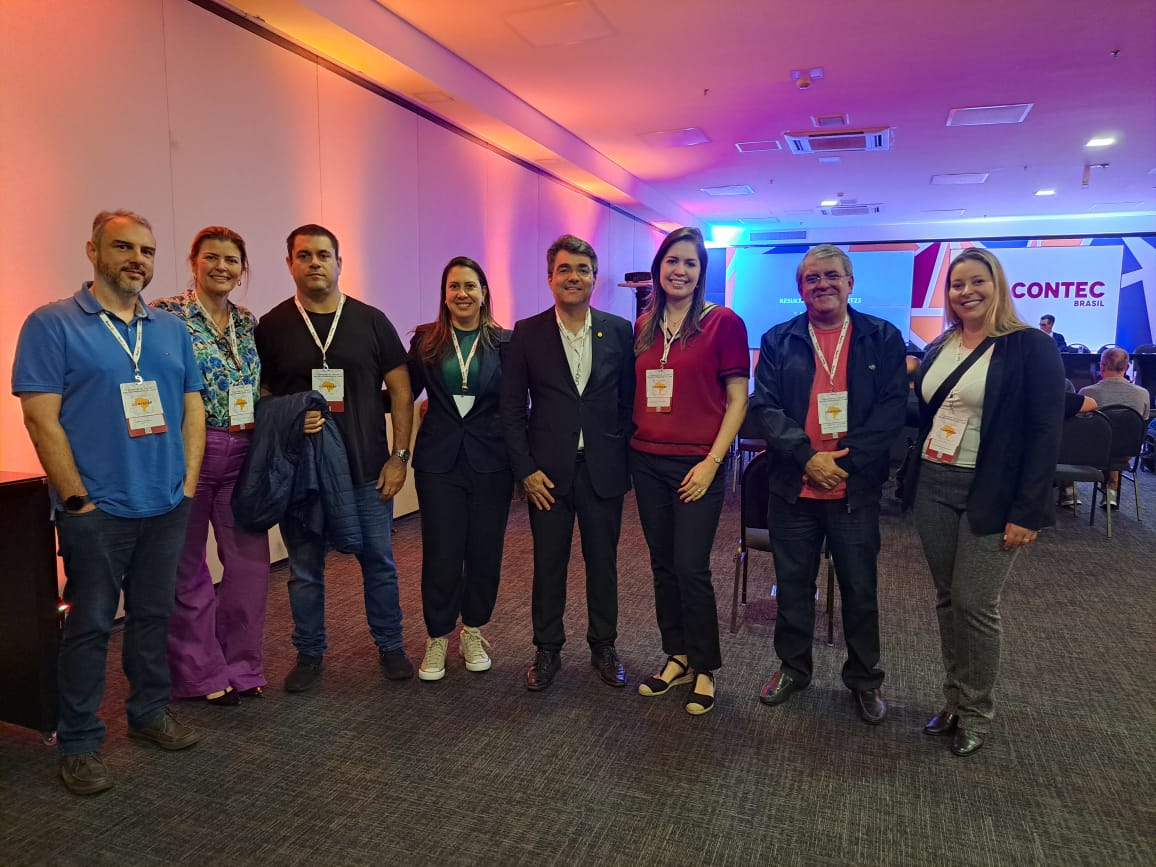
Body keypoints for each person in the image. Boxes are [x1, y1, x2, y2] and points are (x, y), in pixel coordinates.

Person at [12, 210, 206, 795]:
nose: (137, 260)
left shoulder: (170, 329)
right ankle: (79, 742)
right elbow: (40, 419)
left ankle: (148, 713)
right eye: (123, 247)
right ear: (92, 251)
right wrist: (76, 500)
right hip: (96, 511)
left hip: (165, 504)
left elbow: (192, 407)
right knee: (90, 626)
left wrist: (187, 487)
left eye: (147, 250)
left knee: (153, 616)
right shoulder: (51, 324)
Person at [912, 248, 1063, 756]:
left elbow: (1045, 433)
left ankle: (977, 711)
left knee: (975, 602)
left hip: (992, 489)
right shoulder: (941, 345)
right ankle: (954, 700)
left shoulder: (1030, 346)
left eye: (977, 281)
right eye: (957, 284)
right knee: (947, 597)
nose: (966, 291)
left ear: (997, 285)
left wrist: (1027, 511)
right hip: (934, 482)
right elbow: (927, 412)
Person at [749, 244, 906, 725]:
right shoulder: (779, 339)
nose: (823, 285)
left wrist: (846, 462)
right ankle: (793, 669)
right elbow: (765, 408)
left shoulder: (882, 336)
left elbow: (892, 410)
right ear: (800, 288)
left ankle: (864, 679)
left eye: (832, 276)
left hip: (853, 490)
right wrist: (808, 458)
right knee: (793, 588)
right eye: (812, 278)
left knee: (860, 590)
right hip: (793, 489)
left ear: (850, 282)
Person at [255, 224, 414, 691]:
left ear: (339, 263)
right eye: (304, 255)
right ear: (289, 264)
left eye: (323, 255)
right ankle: (309, 654)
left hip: (367, 470)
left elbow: (402, 393)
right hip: (302, 474)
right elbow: (262, 396)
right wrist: (288, 418)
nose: (314, 263)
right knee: (305, 571)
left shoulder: (371, 321)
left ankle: (390, 645)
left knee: (378, 563)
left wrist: (400, 457)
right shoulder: (273, 327)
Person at [500, 234, 635, 692]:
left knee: (604, 563)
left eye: (582, 270)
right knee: (548, 564)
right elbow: (512, 409)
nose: (573, 277)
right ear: (550, 278)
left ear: (594, 278)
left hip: (602, 471)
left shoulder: (619, 331)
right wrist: (525, 469)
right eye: (564, 269)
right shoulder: (527, 332)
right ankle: (547, 648)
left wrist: (620, 458)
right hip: (546, 475)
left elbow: (627, 403)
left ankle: (604, 645)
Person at [630, 228, 748, 715]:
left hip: (699, 462)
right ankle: (676, 656)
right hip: (646, 460)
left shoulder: (724, 323)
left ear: (702, 273)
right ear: (659, 267)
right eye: (672, 261)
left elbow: (738, 400)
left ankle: (704, 666)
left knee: (690, 566)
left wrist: (712, 463)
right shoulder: (643, 325)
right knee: (662, 565)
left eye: (690, 263)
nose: (679, 270)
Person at [151, 227, 270, 705]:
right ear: (193, 262)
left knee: (249, 565)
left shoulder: (247, 321)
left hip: (244, 452)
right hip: (189, 450)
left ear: (242, 270)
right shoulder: (166, 316)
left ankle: (242, 664)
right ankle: (199, 672)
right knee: (189, 567)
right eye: (212, 257)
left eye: (232, 260)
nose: (222, 266)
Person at [407, 257, 513, 681]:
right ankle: (437, 636)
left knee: (485, 551)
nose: (462, 293)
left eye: (470, 286)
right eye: (454, 286)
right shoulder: (426, 341)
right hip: (439, 462)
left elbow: (517, 405)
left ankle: (473, 630)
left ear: (484, 292)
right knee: (441, 551)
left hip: (492, 461)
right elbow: (402, 393)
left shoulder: (506, 343)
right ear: (445, 294)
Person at [1078, 346, 1150, 508]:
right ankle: (1111, 489)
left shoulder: (1087, 392)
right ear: (1127, 367)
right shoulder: (1143, 394)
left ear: (1101, 366)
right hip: (1127, 454)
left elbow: (1079, 427)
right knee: (1118, 438)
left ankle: (1068, 491)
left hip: (1093, 453)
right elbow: (1142, 424)